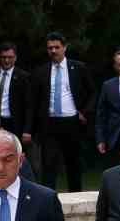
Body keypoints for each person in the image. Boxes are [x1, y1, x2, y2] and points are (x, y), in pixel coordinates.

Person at [32, 31, 94, 191]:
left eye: (57, 47)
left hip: (72, 122)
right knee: (49, 165)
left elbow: (93, 93)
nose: (53, 51)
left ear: (64, 48)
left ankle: (76, 196)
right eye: (50, 48)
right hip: (50, 123)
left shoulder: (78, 68)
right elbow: (34, 100)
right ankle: (48, 200)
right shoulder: (41, 71)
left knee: (73, 163)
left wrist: (84, 112)